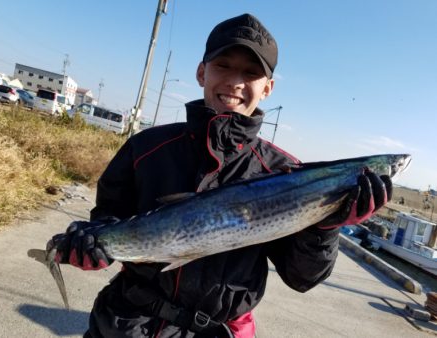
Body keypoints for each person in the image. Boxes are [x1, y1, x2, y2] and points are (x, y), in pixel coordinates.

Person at [51, 13, 392, 338]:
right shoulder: (147, 147)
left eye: (250, 73)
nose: (234, 81)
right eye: (223, 66)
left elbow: (302, 278)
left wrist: (324, 227)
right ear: (202, 72)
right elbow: (109, 217)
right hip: (126, 324)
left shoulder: (283, 172)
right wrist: (91, 243)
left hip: (218, 330)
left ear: (268, 88)